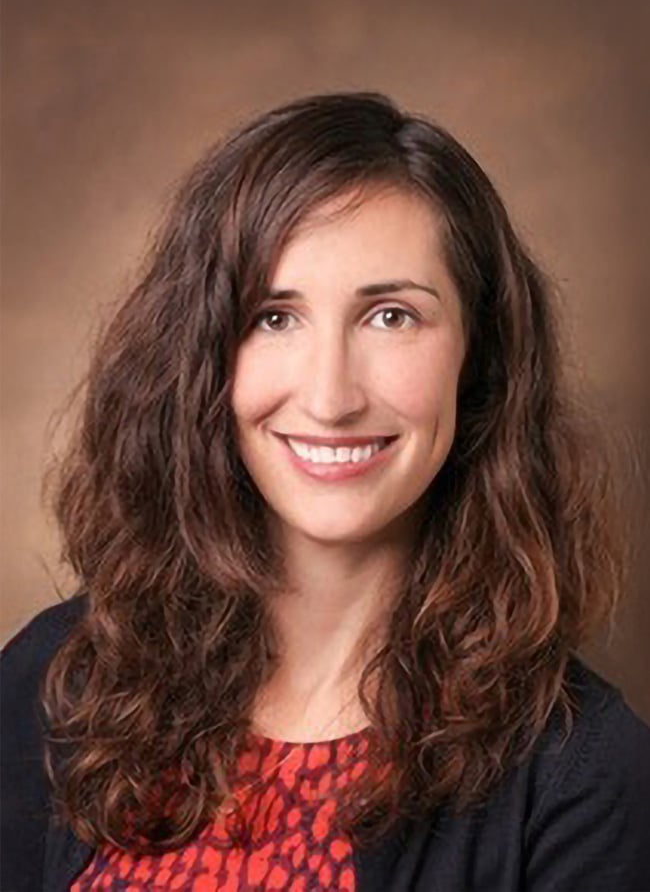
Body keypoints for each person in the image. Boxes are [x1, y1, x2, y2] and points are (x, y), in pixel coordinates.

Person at [2, 91, 649, 892]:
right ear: (203, 355)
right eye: (275, 317)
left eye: (390, 316)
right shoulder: (51, 681)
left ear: (479, 356)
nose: (331, 396)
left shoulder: (583, 779)